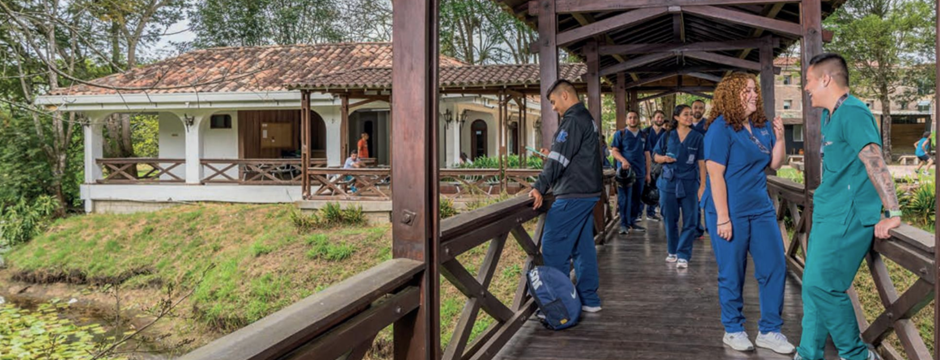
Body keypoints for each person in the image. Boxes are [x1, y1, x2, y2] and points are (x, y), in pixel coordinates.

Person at [794, 53, 901, 360]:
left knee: (823, 286)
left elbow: (875, 162)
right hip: (829, 212)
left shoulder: (854, 113)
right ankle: (808, 353)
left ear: (826, 79)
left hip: (848, 215)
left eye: (809, 80)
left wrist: (893, 213)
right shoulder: (830, 116)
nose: (806, 87)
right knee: (812, 287)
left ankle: (856, 355)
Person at [702, 72, 793, 354]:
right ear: (732, 95)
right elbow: (714, 175)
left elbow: (775, 163)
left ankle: (770, 330)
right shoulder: (720, 128)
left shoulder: (762, 126)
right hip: (728, 210)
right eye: (748, 91)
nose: (754, 95)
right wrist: (723, 218)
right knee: (733, 271)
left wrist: (780, 138)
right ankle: (733, 328)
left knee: (775, 267)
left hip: (761, 209)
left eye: (754, 90)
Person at [529, 80, 604, 313]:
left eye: (553, 102)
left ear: (564, 96)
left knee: (552, 246)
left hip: (573, 194)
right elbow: (573, 156)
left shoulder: (571, 121)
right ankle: (589, 299)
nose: (553, 108)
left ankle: (559, 305)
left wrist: (539, 186)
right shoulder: (587, 119)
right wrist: (553, 155)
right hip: (588, 192)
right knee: (583, 248)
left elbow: (559, 160)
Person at [653, 105, 705, 269]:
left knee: (691, 220)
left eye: (691, 114)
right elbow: (655, 155)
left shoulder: (697, 137)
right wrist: (664, 159)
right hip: (668, 182)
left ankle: (683, 254)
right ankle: (672, 251)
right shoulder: (667, 136)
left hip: (689, 183)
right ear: (676, 117)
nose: (689, 117)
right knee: (669, 218)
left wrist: (702, 185)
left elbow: (702, 163)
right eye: (686, 114)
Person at [610, 111, 652, 234]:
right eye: (630, 118)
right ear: (626, 120)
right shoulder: (620, 134)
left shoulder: (644, 135)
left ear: (638, 119)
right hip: (625, 174)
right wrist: (623, 160)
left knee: (636, 198)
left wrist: (648, 173)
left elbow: (647, 155)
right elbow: (614, 151)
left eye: (635, 117)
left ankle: (632, 222)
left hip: (640, 172)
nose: (632, 120)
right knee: (624, 199)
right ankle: (623, 224)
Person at [641, 110, 667, 221]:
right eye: (658, 117)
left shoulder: (666, 133)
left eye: (662, 117)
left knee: (658, 187)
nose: (660, 119)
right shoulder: (645, 132)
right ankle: (641, 213)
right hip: (647, 162)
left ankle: (655, 212)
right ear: (652, 118)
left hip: (661, 163)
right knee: (646, 186)